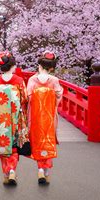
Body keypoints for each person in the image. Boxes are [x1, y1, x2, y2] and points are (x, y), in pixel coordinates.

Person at [0, 51, 28, 185]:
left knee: (3, 145)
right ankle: (12, 171)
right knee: (14, 146)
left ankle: (6, 173)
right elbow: (25, 99)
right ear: (12, 65)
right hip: (14, 118)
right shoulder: (19, 81)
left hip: (0, 120)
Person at [26, 51, 63, 185]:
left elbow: (28, 97)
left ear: (39, 65)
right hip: (48, 116)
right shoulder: (54, 80)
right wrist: (49, 95)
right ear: (52, 67)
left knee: (37, 139)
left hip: (36, 116)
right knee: (48, 139)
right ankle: (45, 171)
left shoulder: (32, 80)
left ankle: (40, 168)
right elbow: (58, 95)